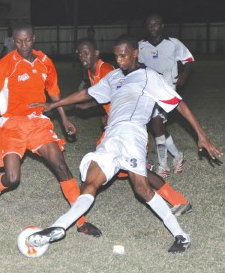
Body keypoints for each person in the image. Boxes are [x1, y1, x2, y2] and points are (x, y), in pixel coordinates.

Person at [26, 34, 223, 253]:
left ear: (135, 53)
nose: (119, 60)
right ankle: (58, 227)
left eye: (123, 55)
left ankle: (181, 236)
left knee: (142, 189)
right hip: (111, 135)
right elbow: (86, 93)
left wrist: (201, 135)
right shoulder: (114, 77)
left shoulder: (150, 76)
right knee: (90, 182)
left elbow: (180, 105)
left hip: (132, 135)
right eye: (116, 56)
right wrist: (55, 104)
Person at [0, 22, 101, 237]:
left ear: (34, 38)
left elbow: (55, 95)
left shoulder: (45, 62)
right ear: (13, 41)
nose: (23, 45)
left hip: (38, 122)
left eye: (27, 40)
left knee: (62, 167)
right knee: (12, 178)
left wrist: (64, 119)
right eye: (18, 41)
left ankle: (81, 221)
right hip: (11, 124)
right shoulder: (3, 65)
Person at [76, 38, 192, 216]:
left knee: (132, 172)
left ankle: (78, 215)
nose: (82, 57)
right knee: (135, 171)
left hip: (125, 129)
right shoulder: (92, 72)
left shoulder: (106, 70)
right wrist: (94, 107)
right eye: (79, 53)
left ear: (95, 54)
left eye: (86, 53)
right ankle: (179, 201)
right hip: (116, 129)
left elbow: (121, 94)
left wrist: (107, 113)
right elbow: (104, 94)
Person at [138, 13, 195, 178]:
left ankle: (163, 166)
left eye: (156, 24)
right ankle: (178, 156)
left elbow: (189, 60)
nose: (152, 27)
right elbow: (137, 66)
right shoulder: (141, 46)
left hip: (168, 91)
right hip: (149, 91)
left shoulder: (173, 43)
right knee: (158, 127)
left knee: (156, 124)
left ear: (162, 26)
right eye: (149, 24)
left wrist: (184, 75)